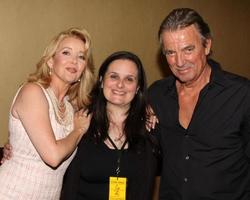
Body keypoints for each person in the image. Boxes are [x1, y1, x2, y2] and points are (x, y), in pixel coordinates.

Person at [148, 8, 250, 200]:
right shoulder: (157, 94)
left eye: (188, 49)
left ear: (207, 46)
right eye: (171, 52)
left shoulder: (242, 94)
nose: (179, 61)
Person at [0, 27, 94, 199]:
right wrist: (78, 131)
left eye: (81, 57)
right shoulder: (32, 92)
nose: (74, 61)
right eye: (66, 53)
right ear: (51, 61)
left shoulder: (72, 108)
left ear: (84, 68)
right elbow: (53, 156)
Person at [60, 51, 159, 200]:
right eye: (113, 76)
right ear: (101, 80)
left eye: (129, 79)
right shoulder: (79, 122)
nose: (120, 84)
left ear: (138, 87)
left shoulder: (149, 129)